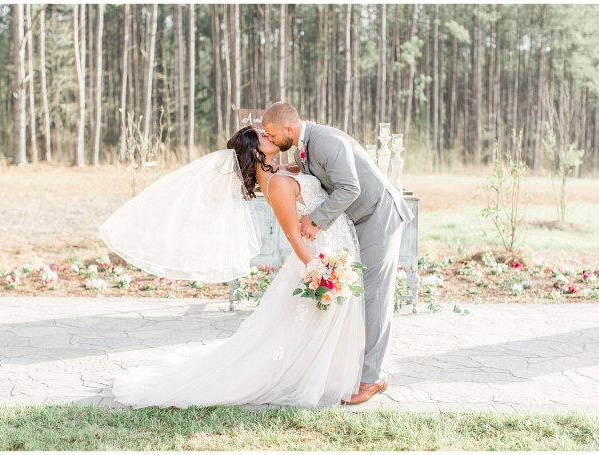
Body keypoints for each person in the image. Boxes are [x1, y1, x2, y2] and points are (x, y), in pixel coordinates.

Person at [104, 126, 365, 408]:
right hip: (318, 257)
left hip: (329, 248)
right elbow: (292, 234)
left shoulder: (279, 173)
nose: (270, 137)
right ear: (255, 151)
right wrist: (320, 272)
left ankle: (328, 372)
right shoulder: (276, 184)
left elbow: (304, 171)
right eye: (264, 137)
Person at [262, 102, 414, 405]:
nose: (271, 141)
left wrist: (316, 220)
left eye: (272, 135)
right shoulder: (303, 146)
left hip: (378, 217)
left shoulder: (326, 141)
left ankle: (374, 378)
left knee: (375, 297)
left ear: (288, 130)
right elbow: (314, 171)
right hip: (362, 221)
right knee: (363, 297)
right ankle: (362, 367)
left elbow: (349, 187)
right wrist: (281, 169)